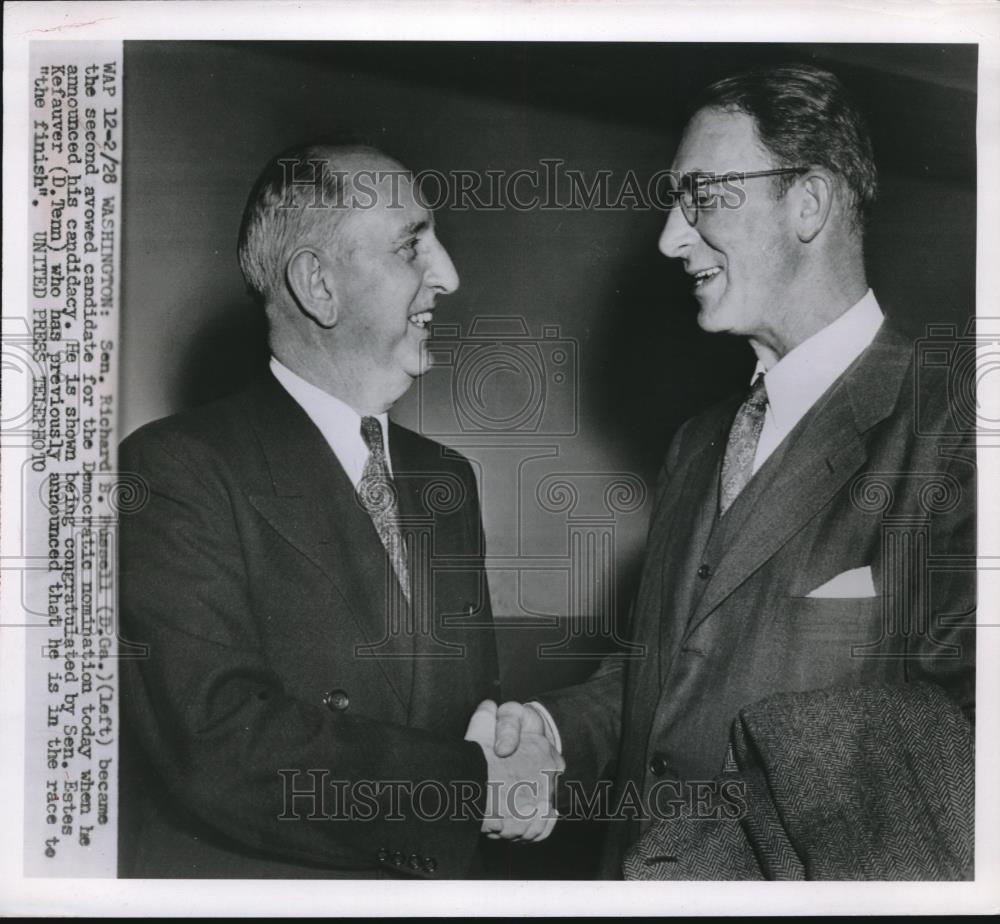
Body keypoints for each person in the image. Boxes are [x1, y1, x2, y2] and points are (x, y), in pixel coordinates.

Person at [480, 64, 976, 878]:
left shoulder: (959, 432)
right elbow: (664, 674)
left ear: (808, 204)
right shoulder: (696, 442)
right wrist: (551, 732)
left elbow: (958, 752)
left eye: (703, 195)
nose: (671, 237)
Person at [117, 144, 563, 879]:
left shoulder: (445, 478)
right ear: (318, 285)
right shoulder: (173, 469)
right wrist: (473, 785)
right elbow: (222, 748)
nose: (448, 275)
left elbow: (453, 708)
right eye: (411, 245)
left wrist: (507, 734)